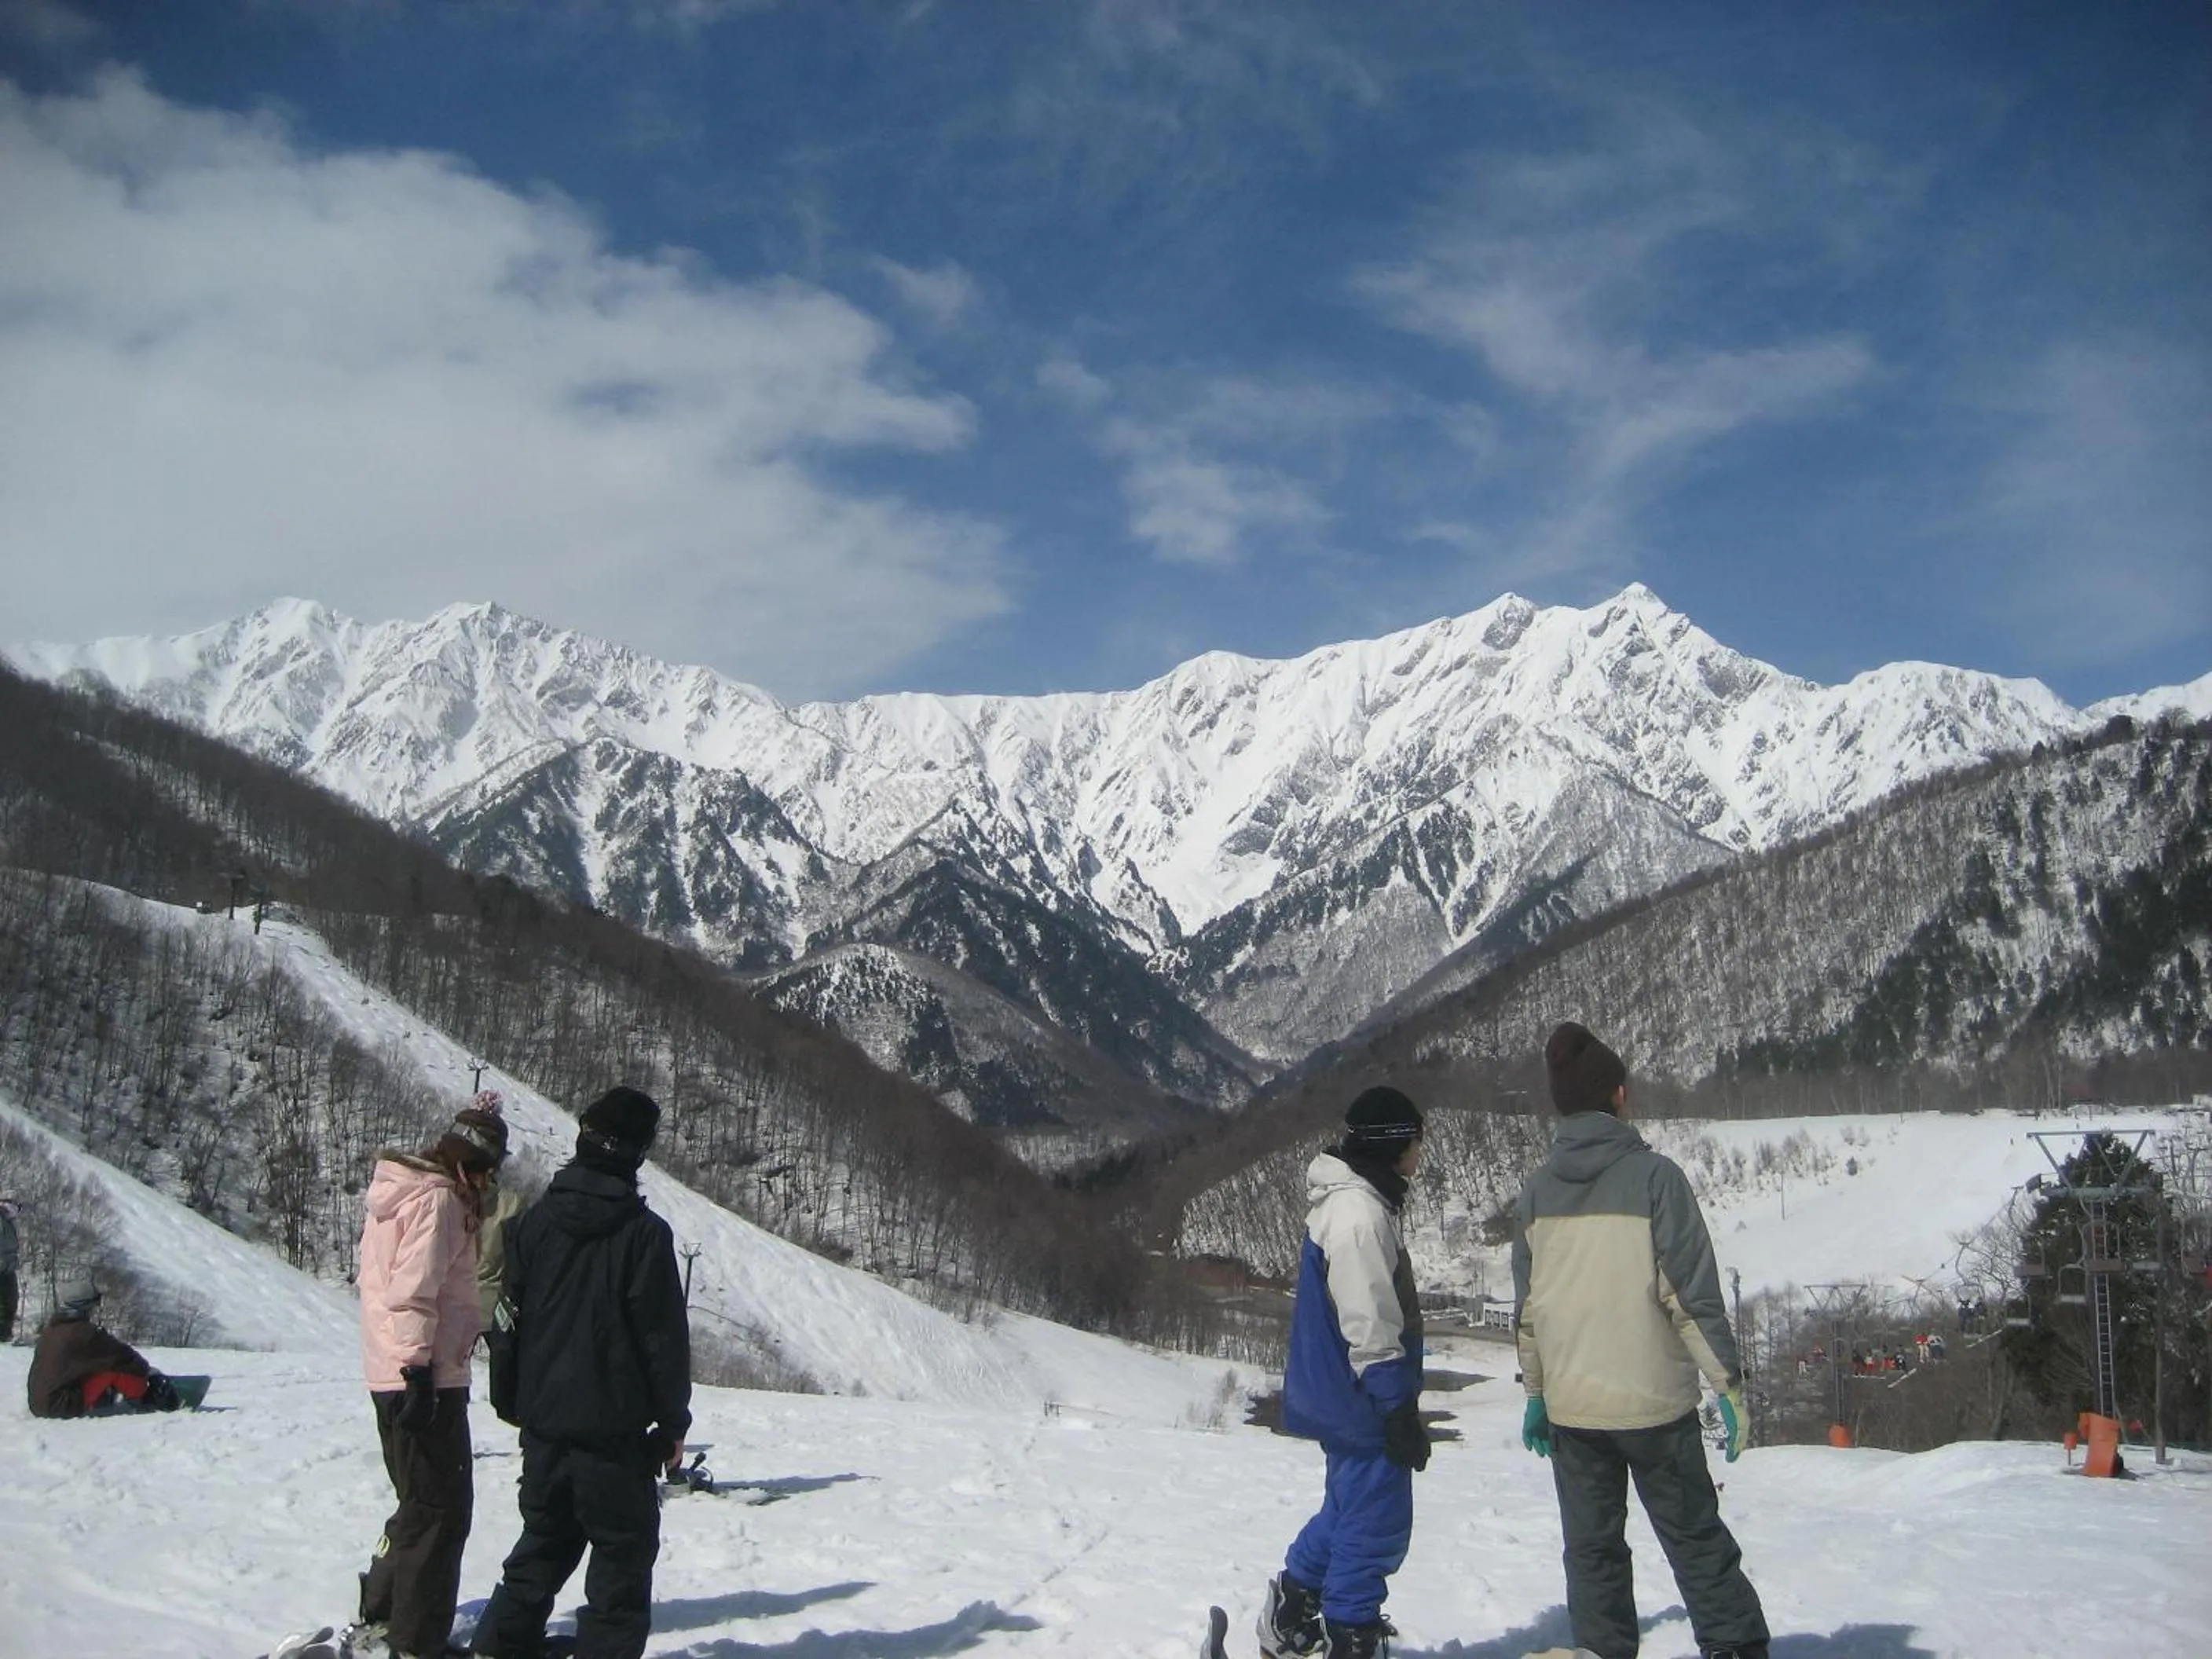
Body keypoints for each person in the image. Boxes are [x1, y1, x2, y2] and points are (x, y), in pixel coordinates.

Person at [1513, 1023, 1769, 1659]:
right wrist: (1728, 1387)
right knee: (1695, 1541)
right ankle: (1735, 1647)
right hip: (1654, 1405)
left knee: (1593, 1553)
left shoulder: (1538, 1193)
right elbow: (1691, 1298)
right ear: (1620, 1096)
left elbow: (1530, 1312)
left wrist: (1538, 1395)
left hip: (1574, 1411)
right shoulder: (1656, 1179)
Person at [473, 1086, 691, 1659]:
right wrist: (672, 1425)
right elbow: (662, 1341)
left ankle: (497, 1648)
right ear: (638, 1153)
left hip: (544, 1423)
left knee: (542, 1544)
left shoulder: (535, 1223)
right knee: (621, 1560)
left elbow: (507, 1317)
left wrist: (511, 1397)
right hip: (614, 1435)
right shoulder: (645, 1236)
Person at [1255, 1086, 1430, 1659]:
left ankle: (1292, 1606)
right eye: (1414, 1141)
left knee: (1346, 1510)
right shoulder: (1359, 1217)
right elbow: (1370, 1322)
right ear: (1394, 1145)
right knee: (1377, 1521)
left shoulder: (1354, 1203)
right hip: (1360, 1399)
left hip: (1338, 1394)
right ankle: (1350, 1634)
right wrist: (1396, 1406)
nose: (1419, 1153)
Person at [352, 1102, 511, 1659]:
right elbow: (414, 1290)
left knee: (419, 1503)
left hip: (391, 1369)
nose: (492, 1184)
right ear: (471, 1165)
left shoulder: (402, 1192)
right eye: (491, 1171)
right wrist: (419, 1370)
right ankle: (417, 1641)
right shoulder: (440, 1201)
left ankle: (385, 1604)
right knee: (442, 1511)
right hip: (423, 1376)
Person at [26, 1275, 190, 1417]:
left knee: (96, 1364)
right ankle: (150, 1397)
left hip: (39, 1404)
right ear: (85, 1307)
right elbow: (122, 1356)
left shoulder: (51, 1331)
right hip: (61, 1405)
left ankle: (107, 1396)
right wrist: (148, 1373)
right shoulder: (84, 1333)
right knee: (114, 1368)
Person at [1, 1194, 19, 1344]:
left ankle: (5, 1333)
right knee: (6, 1301)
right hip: (2, 1268)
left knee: (11, 1301)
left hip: (8, 1268)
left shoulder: (9, 1223)